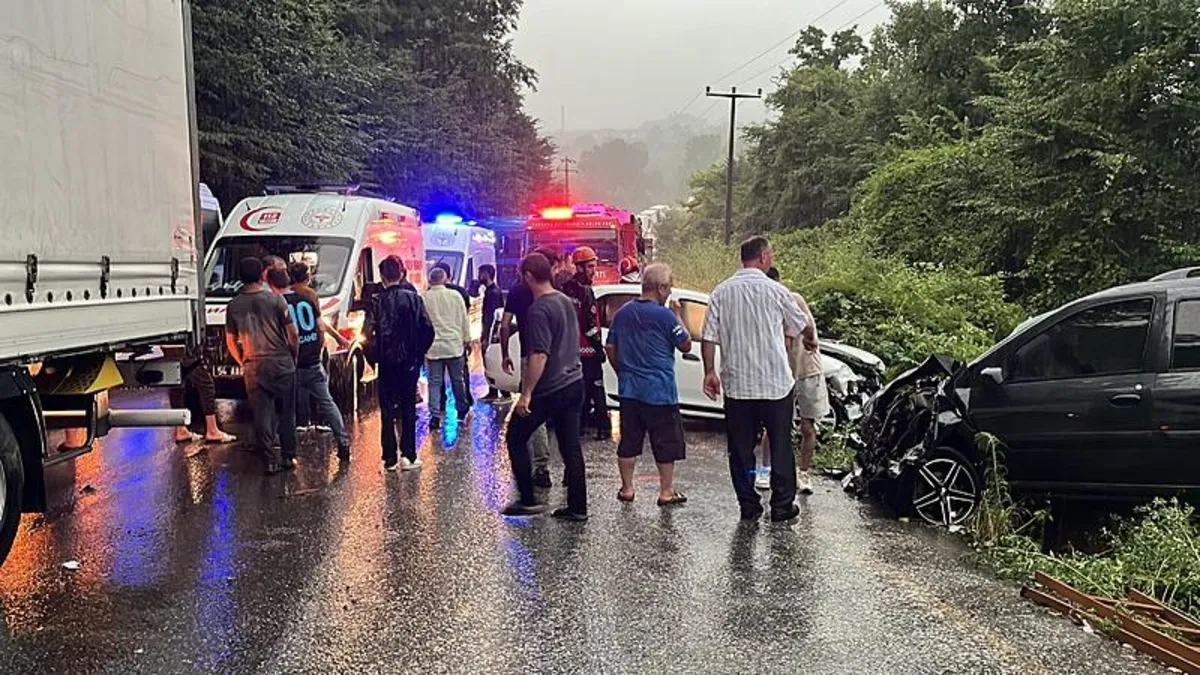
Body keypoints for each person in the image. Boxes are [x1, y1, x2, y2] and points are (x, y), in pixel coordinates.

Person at [701, 235, 817, 523]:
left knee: (740, 450)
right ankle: (781, 507)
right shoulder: (777, 291)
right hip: (775, 384)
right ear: (764, 257)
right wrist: (812, 341)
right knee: (780, 445)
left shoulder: (720, 292)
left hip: (738, 386)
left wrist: (709, 372)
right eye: (771, 255)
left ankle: (749, 505)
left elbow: (708, 337)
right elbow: (802, 324)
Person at [501, 253, 587, 520]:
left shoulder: (538, 310)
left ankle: (528, 499)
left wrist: (527, 394)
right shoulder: (564, 301)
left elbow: (539, 355)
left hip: (551, 387)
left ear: (528, 276)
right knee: (570, 445)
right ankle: (577, 507)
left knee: (515, 435)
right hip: (575, 381)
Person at [605, 263, 691, 506]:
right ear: (661, 287)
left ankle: (628, 488)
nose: (670, 291)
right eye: (669, 287)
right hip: (660, 392)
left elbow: (610, 346)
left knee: (629, 440)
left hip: (630, 391)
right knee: (664, 442)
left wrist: (621, 371)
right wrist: (677, 315)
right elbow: (685, 344)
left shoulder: (623, 313)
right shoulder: (665, 316)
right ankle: (665, 492)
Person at [754, 267, 829, 495]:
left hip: (807, 371)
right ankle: (765, 470)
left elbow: (809, 333)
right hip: (781, 374)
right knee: (775, 426)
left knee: (807, 426)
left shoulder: (793, 299)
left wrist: (811, 339)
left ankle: (803, 473)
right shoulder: (762, 308)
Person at [225, 258, 299, 475]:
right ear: (261, 276)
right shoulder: (276, 300)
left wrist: (242, 360)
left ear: (240, 278)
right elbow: (292, 334)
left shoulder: (233, 306)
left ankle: (269, 459)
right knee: (287, 412)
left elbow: (230, 340)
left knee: (261, 414)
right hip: (281, 361)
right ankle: (288, 455)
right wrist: (293, 355)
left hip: (253, 365)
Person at [367, 255, 434, 471]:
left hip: (386, 364)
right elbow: (427, 329)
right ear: (402, 273)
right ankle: (409, 455)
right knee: (408, 408)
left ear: (382, 276)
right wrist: (417, 354)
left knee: (387, 410)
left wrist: (375, 358)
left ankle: (389, 458)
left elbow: (367, 335)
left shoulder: (376, 302)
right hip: (409, 363)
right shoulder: (414, 299)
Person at [499, 247, 558, 487]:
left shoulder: (516, 292)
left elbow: (504, 326)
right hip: (555, 357)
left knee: (532, 409)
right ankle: (561, 471)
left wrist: (504, 353)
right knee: (555, 411)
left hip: (529, 355)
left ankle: (540, 467)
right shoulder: (554, 291)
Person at [282, 261, 353, 460]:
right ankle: (343, 439)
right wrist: (338, 337)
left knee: (286, 406)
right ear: (308, 277)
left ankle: (286, 449)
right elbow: (319, 324)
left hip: (292, 360)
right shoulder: (310, 295)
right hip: (312, 357)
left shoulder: (281, 299)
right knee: (327, 402)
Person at [561, 246, 611, 440]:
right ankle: (603, 429)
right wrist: (599, 348)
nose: (593, 271)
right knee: (597, 390)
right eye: (590, 266)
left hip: (572, 352)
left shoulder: (565, 288)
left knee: (579, 391)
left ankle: (578, 427)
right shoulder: (586, 292)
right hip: (589, 352)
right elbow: (590, 326)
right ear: (579, 267)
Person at [424, 266, 473, 430]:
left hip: (433, 347)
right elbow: (463, 320)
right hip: (454, 345)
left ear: (430, 280)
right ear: (445, 279)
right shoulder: (455, 296)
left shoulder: (424, 298)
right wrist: (467, 340)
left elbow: (422, 324)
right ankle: (462, 411)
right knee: (457, 381)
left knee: (434, 382)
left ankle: (435, 416)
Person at [171, 348, 236, 444]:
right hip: (181, 350)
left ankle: (181, 429)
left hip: (172, 350)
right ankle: (212, 431)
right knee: (205, 382)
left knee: (178, 383)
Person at [433, 260, 474, 411]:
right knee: (460, 377)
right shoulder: (459, 293)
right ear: (449, 275)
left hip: (435, 344)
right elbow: (465, 316)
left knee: (436, 380)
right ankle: (464, 403)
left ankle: (440, 405)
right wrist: (466, 339)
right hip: (455, 342)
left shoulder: (428, 294)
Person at [478, 264, 508, 401]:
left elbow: (491, 315)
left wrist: (486, 336)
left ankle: (496, 390)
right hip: (491, 331)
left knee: (490, 359)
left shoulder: (492, 293)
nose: (479, 277)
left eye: (481, 273)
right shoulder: (492, 291)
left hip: (490, 332)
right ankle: (499, 390)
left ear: (487, 274)